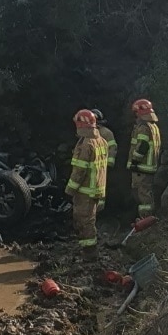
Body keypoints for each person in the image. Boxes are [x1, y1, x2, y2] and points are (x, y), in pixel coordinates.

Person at [65, 109, 108, 260]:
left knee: (84, 221)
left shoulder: (86, 144)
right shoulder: (101, 140)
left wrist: (69, 190)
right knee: (89, 220)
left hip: (85, 191)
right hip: (96, 189)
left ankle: (90, 253)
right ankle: (88, 251)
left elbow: (79, 171)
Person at [127, 99, 162, 218]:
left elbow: (143, 145)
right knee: (145, 193)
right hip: (150, 165)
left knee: (143, 194)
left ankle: (146, 219)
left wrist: (135, 161)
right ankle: (147, 218)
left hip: (142, 167)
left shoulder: (143, 127)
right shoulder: (153, 126)